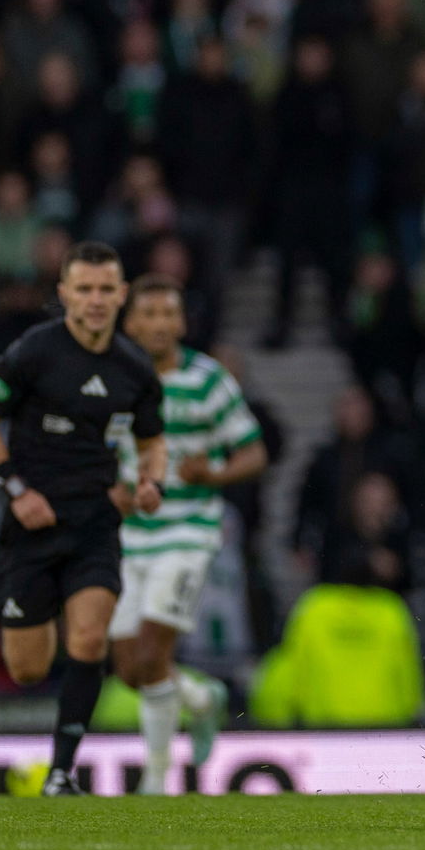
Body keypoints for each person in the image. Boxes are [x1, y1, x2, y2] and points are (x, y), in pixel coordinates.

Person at [0, 241, 166, 796]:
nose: (96, 300)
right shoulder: (32, 352)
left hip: (95, 522)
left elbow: (153, 440)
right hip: (31, 525)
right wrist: (16, 489)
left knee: (90, 635)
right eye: (85, 289)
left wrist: (152, 481)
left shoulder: (133, 367)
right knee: (28, 668)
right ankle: (56, 760)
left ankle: (61, 772)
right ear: (64, 294)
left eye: (106, 289)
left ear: (122, 295)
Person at [109, 275, 267, 794]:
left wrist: (214, 474)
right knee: (130, 668)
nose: (158, 324)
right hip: (130, 536)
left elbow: (253, 451)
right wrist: (111, 491)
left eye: (167, 314)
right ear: (130, 322)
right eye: (148, 315)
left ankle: (157, 778)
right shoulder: (114, 380)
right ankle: (200, 698)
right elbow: (101, 457)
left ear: (181, 322)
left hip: (188, 533)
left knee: (153, 653)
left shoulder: (207, 379)